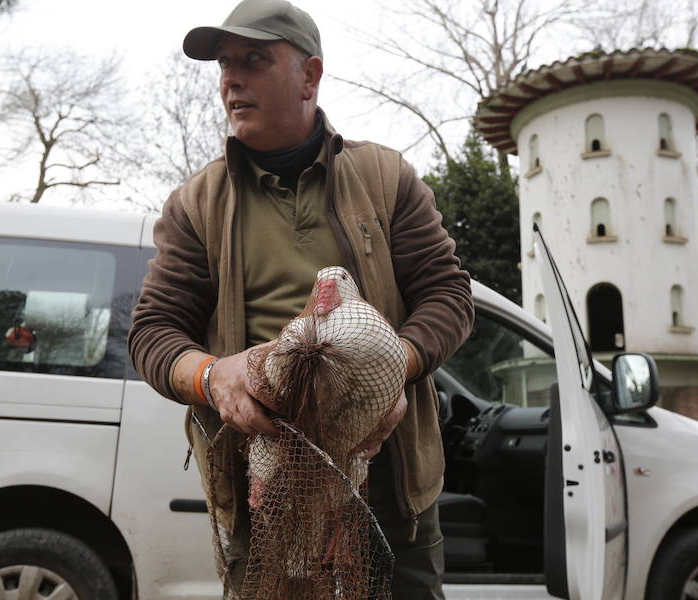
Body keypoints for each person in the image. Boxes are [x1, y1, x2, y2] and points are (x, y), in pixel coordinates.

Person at [127, 1, 474, 597]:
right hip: (263, 491)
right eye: (224, 65)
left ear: (310, 76)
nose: (231, 80)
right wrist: (214, 378)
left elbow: (448, 294)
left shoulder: (386, 177)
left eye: (253, 60)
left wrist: (392, 369)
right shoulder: (195, 204)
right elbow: (152, 332)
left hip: (389, 486)